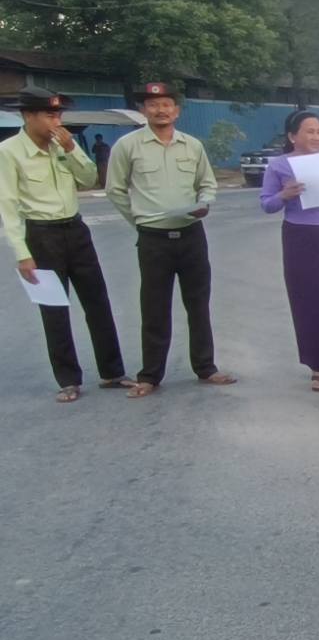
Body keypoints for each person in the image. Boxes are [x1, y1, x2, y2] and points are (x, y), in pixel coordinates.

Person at [106, 81, 237, 398]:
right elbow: (115, 189)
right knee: (154, 308)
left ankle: (206, 367)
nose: (160, 110)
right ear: (143, 110)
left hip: (191, 236)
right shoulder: (128, 146)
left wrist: (204, 203)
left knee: (198, 305)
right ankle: (150, 375)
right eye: (153, 105)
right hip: (153, 239)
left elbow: (207, 184)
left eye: (166, 104)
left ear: (176, 111)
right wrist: (139, 221)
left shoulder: (192, 146)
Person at [0, 88, 132, 402]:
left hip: (76, 230)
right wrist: (22, 253)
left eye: (58, 114)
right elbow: (7, 205)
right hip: (40, 234)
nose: (56, 121)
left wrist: (72, 149)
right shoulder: (9, 151)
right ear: (28, 116)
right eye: (49, 115)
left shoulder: (64, 144)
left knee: (97, 302)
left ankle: (112, 372)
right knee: (54, 309)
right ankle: (68, 379)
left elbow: (88, 179)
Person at [260, 110, 319, 392]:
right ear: (292, 136)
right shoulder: (278, 165)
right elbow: (266, 204)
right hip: (299, 236)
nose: (316, 137)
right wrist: (284, 195)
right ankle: (317, 367)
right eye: (309, 131)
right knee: (307, 301)